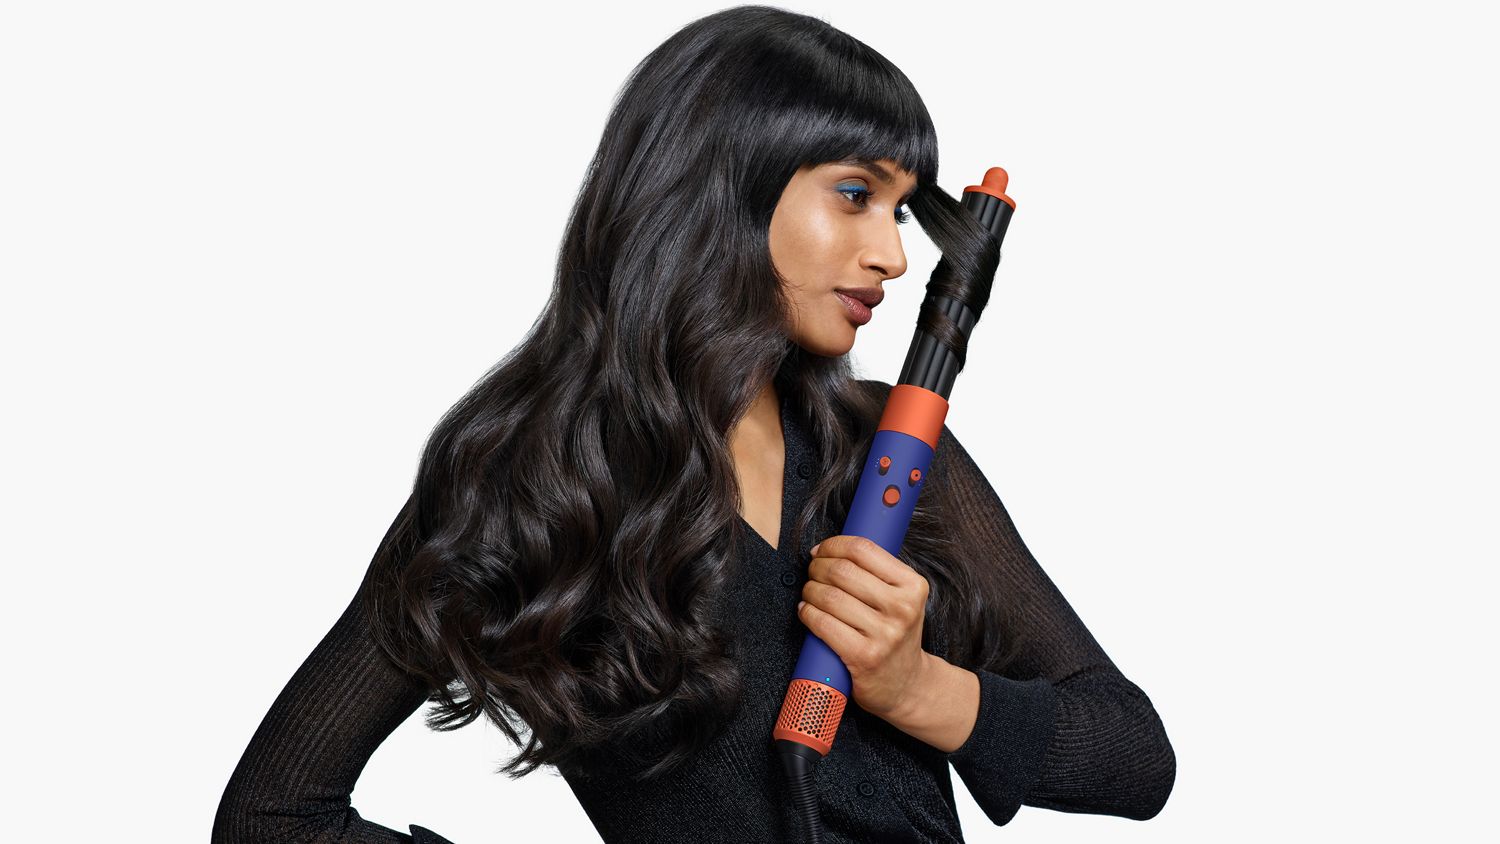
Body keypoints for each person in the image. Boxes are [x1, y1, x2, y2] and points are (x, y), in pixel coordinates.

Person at [212, 6, 1175, 842]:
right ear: (722, 183)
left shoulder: (882, 448)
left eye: (900, 211)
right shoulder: (529, 487)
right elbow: (273, 816)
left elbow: (1136, 760)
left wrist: (918, 687)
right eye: (855, 195)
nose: (892, 254)